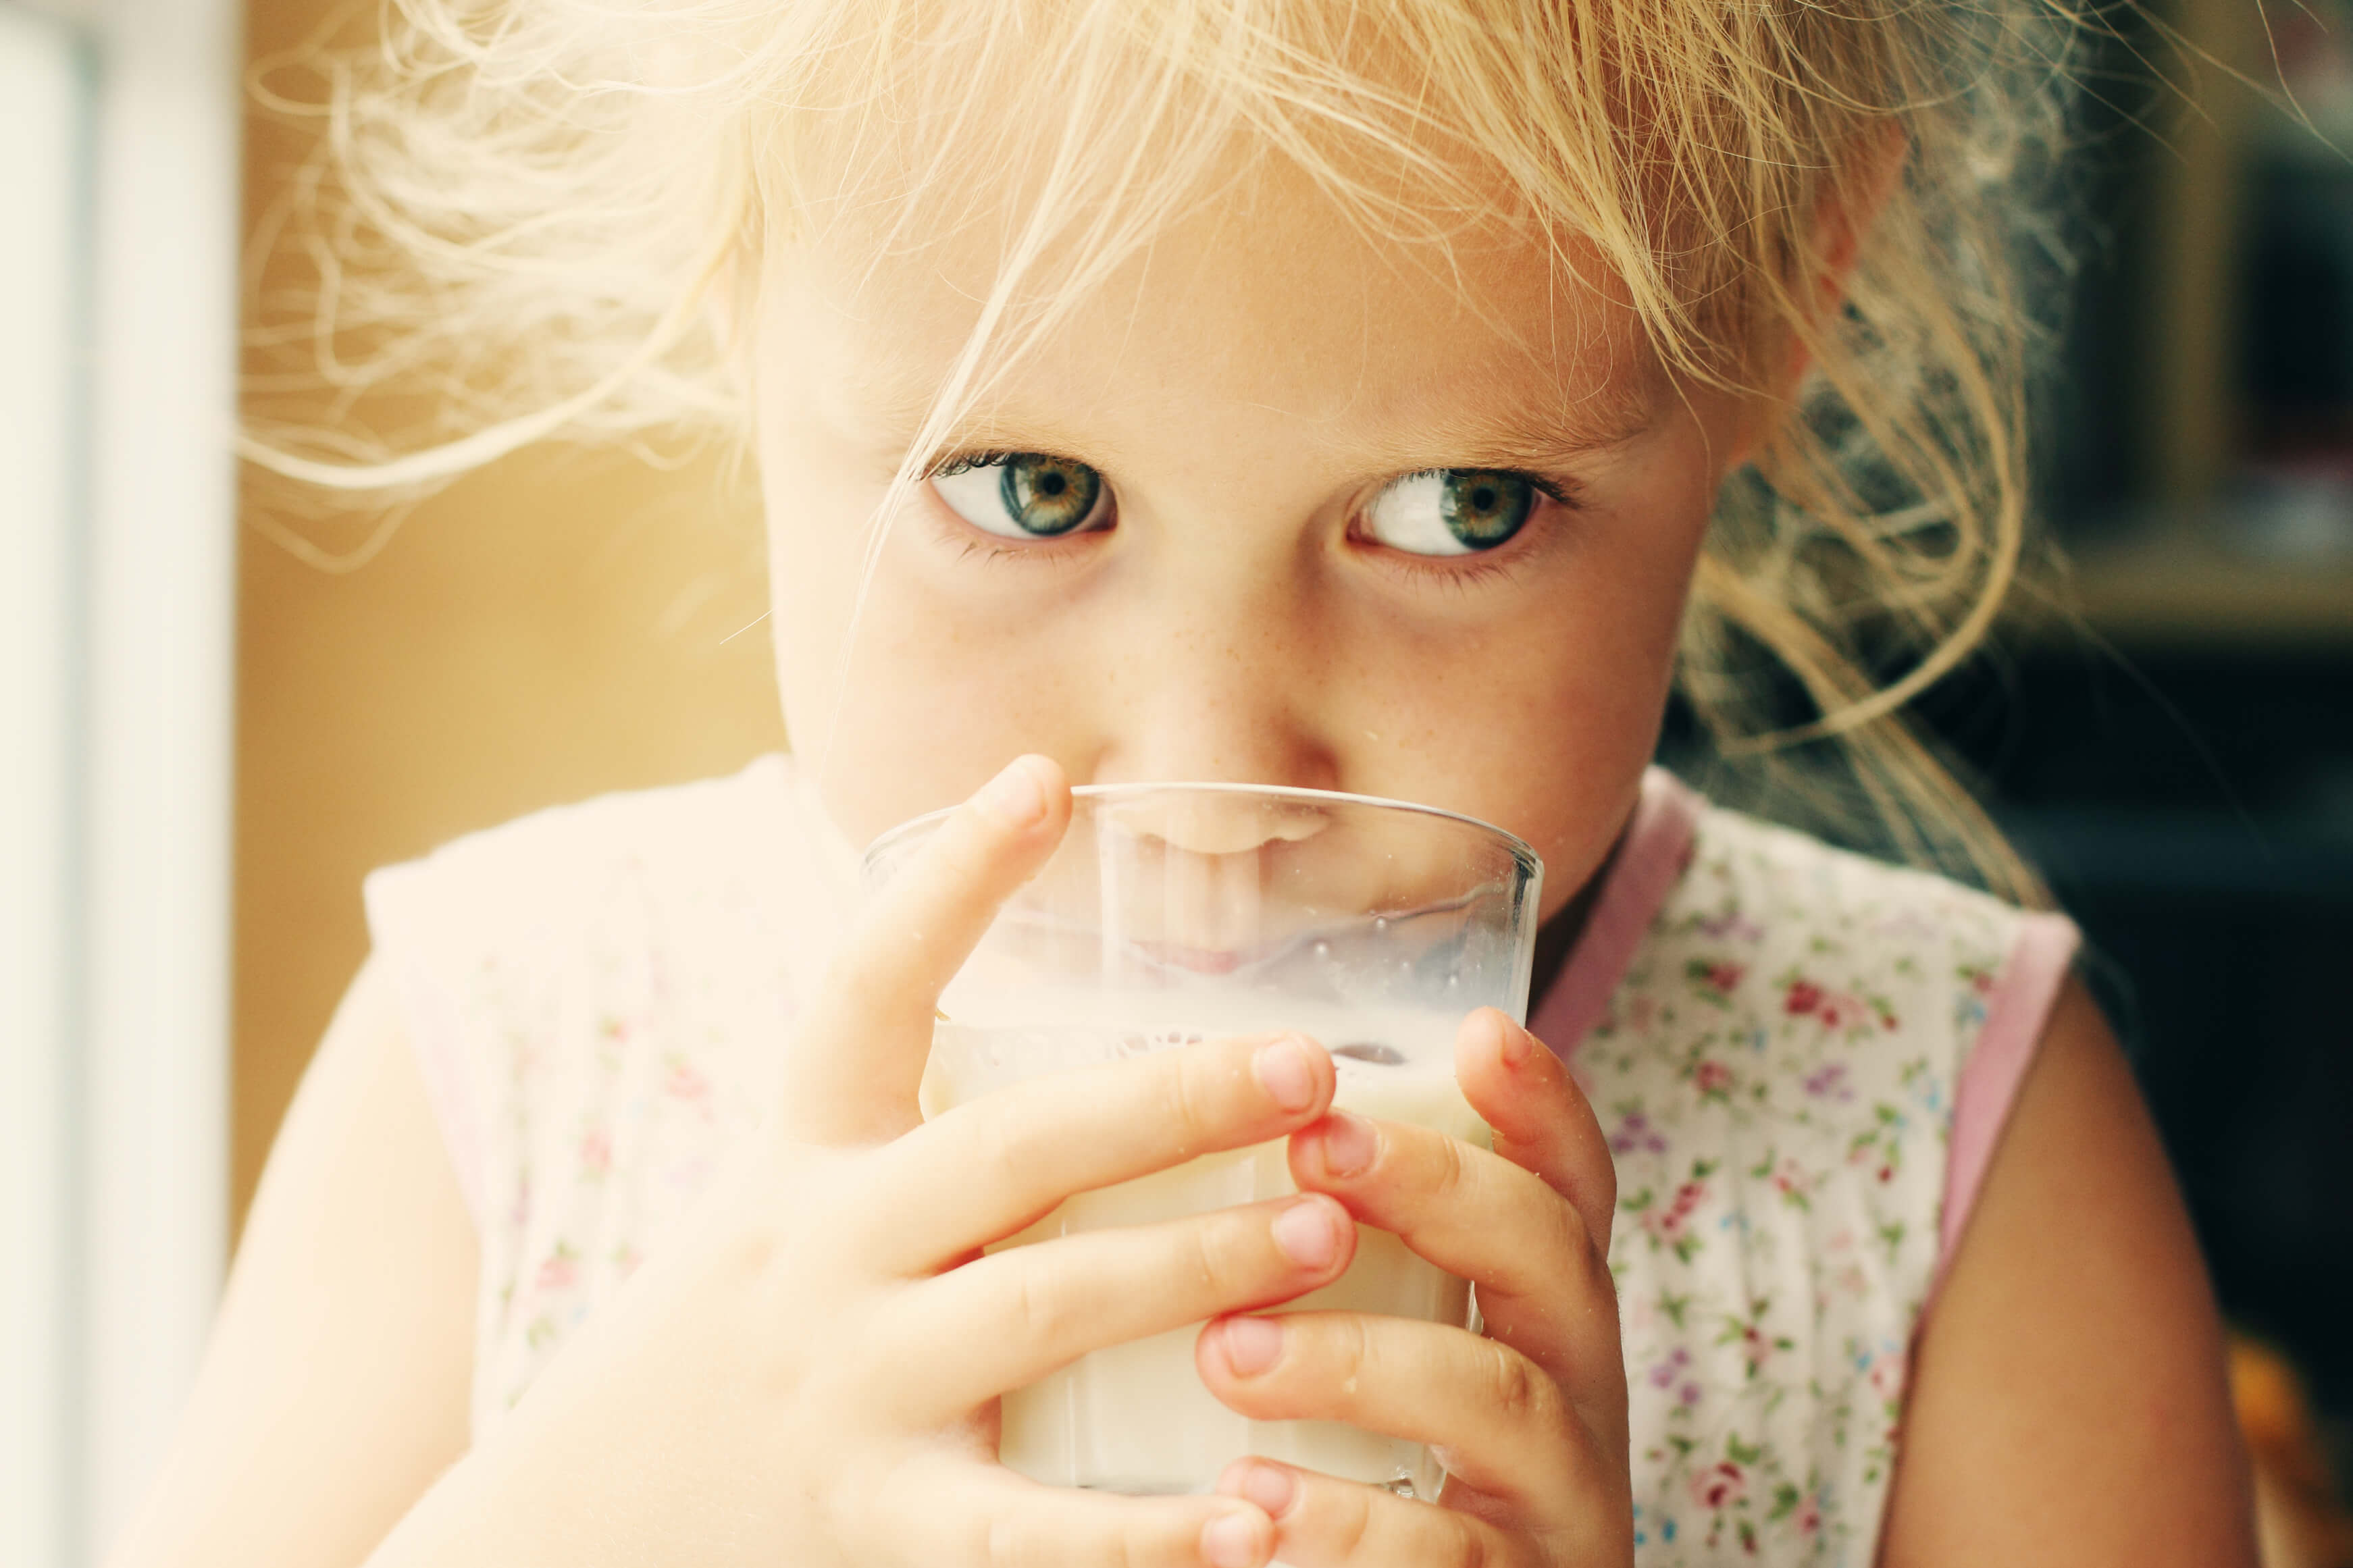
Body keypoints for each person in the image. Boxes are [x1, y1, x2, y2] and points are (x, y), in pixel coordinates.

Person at [118, 1, 2257, 1564]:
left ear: (1779, 299)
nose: (1221, 784)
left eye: (1458, 508)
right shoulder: (518, 1059)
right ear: (738, 301)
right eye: (1032, 488)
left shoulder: (1929, 1126)